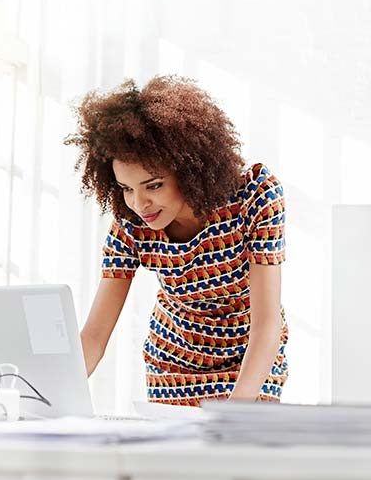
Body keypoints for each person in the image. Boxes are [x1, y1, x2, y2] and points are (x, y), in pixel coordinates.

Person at [64, 75, 288, 405]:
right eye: (127, 189)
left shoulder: (255, 196)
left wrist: (235, 412)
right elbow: (95, 336)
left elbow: (267, 325)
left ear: (189, 169)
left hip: (251, 357)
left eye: (153, 185)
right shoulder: (131, 224)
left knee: (238, 452)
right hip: (173, 366)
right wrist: (49, 395)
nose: (140, 204)